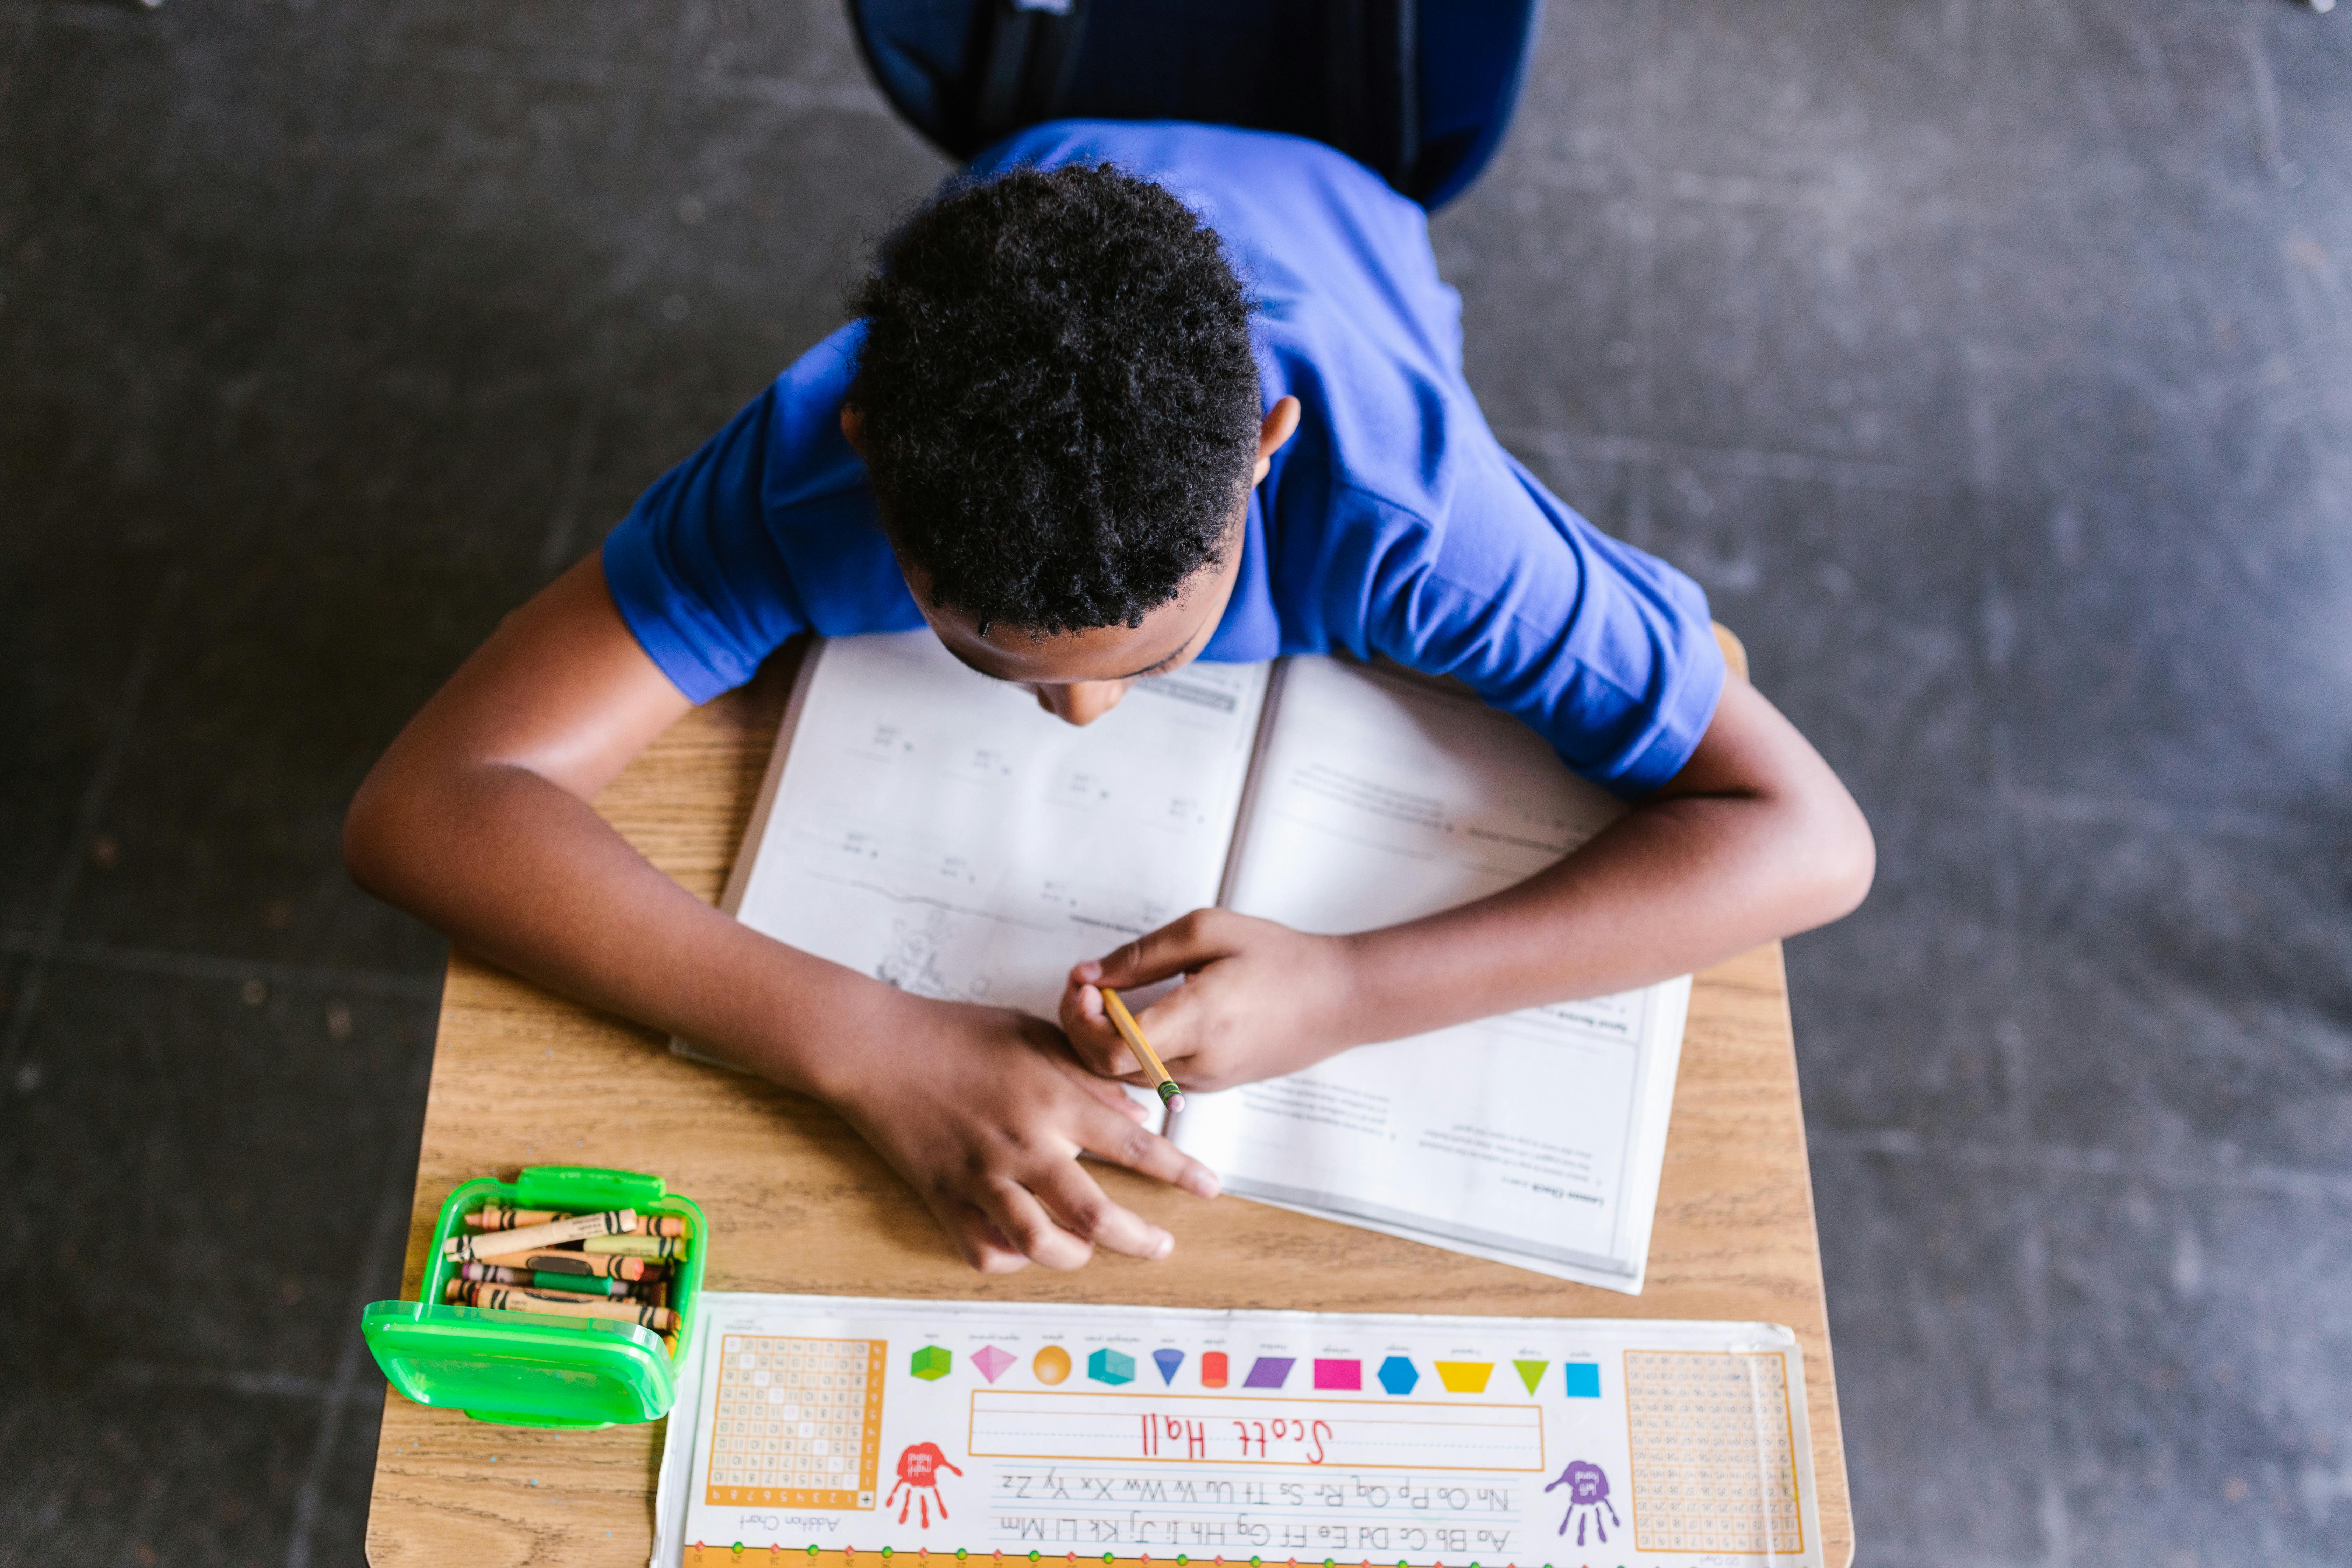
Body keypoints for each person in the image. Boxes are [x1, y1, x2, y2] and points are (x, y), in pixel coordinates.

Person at [345, 121, 1874, 1275]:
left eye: (1141, 662)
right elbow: (431, 805)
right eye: (999, 662)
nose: (1081, 720)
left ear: (1271, 450)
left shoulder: (1406, 503)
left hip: (1346, 190)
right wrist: (868, 1039)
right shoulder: (815, 457)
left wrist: (1354, 989)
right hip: (1037, 187)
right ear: (872, 455)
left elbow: (1807, 835)